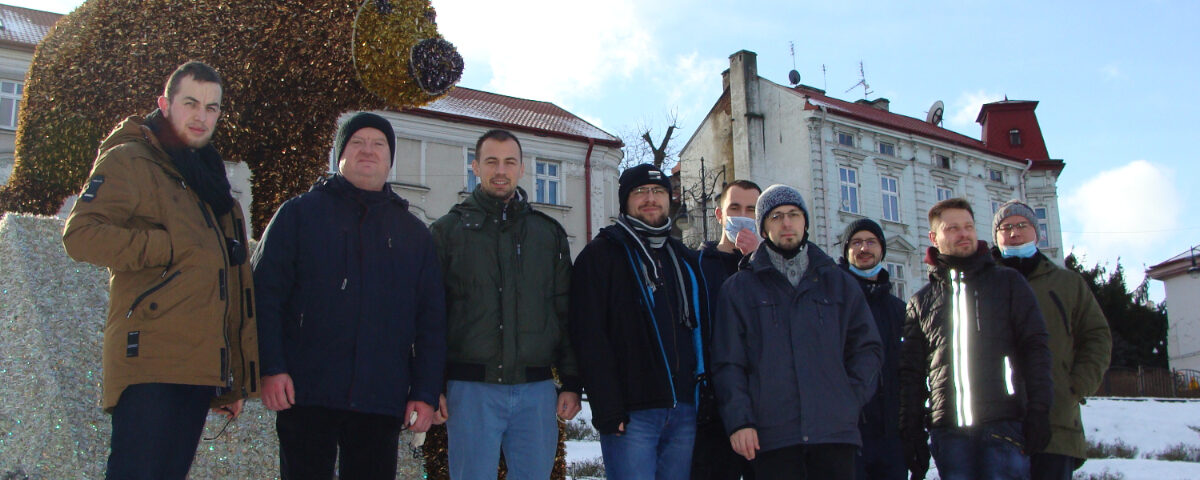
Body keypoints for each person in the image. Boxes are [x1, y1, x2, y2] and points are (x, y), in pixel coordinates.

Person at [62, 61, 258, 480]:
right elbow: (80, 235)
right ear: (164, 105)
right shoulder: (131, 159)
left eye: (211, 107)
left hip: (197, 367)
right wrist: (163, 247)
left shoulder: (212, 182)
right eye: (190, 103)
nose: (201, 116)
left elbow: (229, 280)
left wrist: (231, 375)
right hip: (149, 359)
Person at [253, 112, 446, 479]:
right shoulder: (299, 214)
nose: (367, 151)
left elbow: (431, 322)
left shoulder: (414, 234)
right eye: (357, 142)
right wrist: (271, 367)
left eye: (378, 144)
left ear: (390, 159)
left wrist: (424, 391)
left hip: (380, 397)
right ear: (340, 154)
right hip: (306, 391)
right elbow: (265, 295)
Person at [429, 129, 581, 479]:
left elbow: (565, 312)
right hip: (471, 391)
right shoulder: (447, 232)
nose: (501, 170)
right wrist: (431, 385)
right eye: (491, 162)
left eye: (509, 162)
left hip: (536, 390)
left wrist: (572, 381)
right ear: (475, 167)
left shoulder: (547, 234)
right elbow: (431, 316)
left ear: (522, 168)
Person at [711, 184, 882, 480]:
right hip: (772, 437)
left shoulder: (839, 283)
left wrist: (848, 399)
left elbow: (868, 349)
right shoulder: (739, 289)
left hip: (833, 435)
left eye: (794, 214)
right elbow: (728, 363)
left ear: (805, 222)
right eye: (776, 216)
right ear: (763, 227)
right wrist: (740, 422)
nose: (787, 223)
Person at [570, 163, 709, 479]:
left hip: (684, 409)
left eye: (658, 191)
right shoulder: (601, 255)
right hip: (632, 413)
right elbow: (588, 335)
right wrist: (607, 406)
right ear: (625, 201)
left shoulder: (684, 258)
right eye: (640, 192)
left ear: (669, 199)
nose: (650, 198)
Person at [899, 197, 1053, 480]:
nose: (964, 234)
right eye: (953, 228)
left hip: (1004, 426)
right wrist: (911, 431)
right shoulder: (921, 302)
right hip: (949, 433)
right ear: (934, 237)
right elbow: (911, 373)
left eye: (968, 226)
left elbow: (1035, 349)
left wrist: (1039, 411)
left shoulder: (1008, 283)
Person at [991, 200, 1112, 480]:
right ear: (996, 237)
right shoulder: (985, 283)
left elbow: (1096, 336)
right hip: (996, 423)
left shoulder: (1067, 284)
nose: (1014, 233)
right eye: (1006, 228)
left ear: (1037, 233)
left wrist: (1075, 386)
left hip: (1056, 421)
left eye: (1022, 225)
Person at [693, 179, 761, 480]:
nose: (743, 216)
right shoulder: (696, 265)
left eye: (751, 210)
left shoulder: (772, 268)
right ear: (720, 215)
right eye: (735, 208)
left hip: (765, 407)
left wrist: (758, 259)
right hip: (710, 412)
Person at [837, 218, 907, 480]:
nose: (864, 248)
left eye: (871, 242)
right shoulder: (834, 304)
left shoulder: (899, 309)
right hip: (849, 432)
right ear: (846, 251)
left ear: (881, 249)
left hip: (892, 434)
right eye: (856, 243)